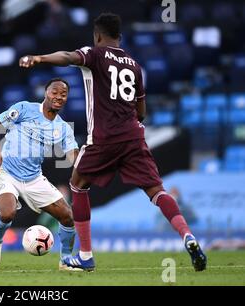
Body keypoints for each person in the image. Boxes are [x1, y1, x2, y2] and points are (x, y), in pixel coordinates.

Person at [19, 13, 207, 272]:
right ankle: (188, 235)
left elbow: (68, 57)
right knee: (156, 190)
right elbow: (141, 111)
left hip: (104, 137)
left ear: (97, 35)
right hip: (134, 136)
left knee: (78, 184)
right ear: (120, 37)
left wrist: (39, 58)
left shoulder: (95, 54)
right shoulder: (134, 65)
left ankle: (85, 255)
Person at [0, 78, 80, 271]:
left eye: (63, 94)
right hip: (6, 171)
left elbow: (74, 157)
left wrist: (86, 161)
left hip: (34, 178)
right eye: (55, 92)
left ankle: (65, 260)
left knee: (67, 216)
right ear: (46, 92)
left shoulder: (63, 128)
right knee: (8, 212)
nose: (59, 97)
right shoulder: (25, 108)